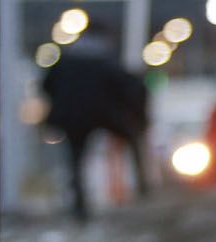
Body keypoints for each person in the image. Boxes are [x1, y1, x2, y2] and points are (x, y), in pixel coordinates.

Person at [41, 33, 150, 223]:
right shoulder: (105, 61)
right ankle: (143, 187)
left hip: (73, 117)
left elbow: (46, 86)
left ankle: (79, 208)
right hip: (103, 113)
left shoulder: (64, 62)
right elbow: (129, 88)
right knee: (133, 139)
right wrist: (137, 118)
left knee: (75, 162)